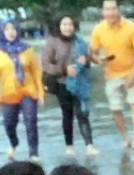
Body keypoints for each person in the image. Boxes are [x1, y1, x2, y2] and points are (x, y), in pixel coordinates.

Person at [0, 19, 45, 161]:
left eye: (14, 29)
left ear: (18, 31)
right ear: (2, 31)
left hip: (28, 90)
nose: (11, 32)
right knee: (9, 124)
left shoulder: (27, 49)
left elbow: (36, 71)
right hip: (9, 92)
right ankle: (14, 143)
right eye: (7, 29)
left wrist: (40, 92)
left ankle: (33, 153)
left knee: (31, 121)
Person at [89, 0, 134, 150]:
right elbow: (93, 53)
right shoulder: (98, 29)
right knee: (115, 108)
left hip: (132, 70)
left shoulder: (131, 27)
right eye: (107, 9)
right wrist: (98, 59)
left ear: (119, 10)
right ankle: (126, 138)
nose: (111, 13)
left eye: (113, 9)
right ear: (103, 12)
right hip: (112, 73)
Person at [42, 15, 100, 157]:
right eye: (64, 24)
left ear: (74, 26)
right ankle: (69, 146)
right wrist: (64, 70)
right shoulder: (52, 42)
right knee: (67, 114)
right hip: (62, 83)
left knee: (82, 114)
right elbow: (46, 64)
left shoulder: (80, 41)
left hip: (80, 83)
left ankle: (89, 146)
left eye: (70, 24)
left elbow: (87, 61)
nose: (68, 27)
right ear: (59, 26)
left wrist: (85, 60)